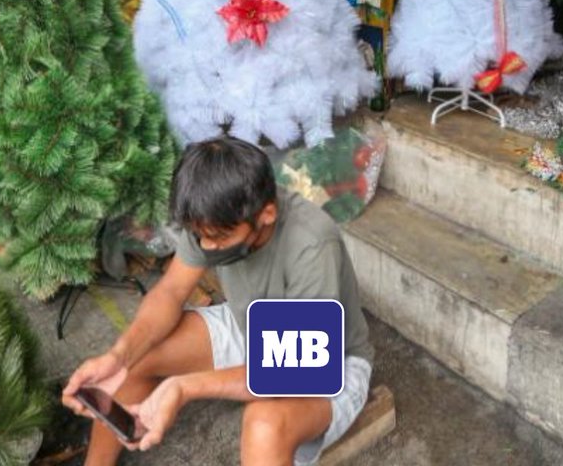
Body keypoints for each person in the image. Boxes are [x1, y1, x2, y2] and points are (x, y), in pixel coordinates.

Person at [61, 137, 374, 466]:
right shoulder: (212, 217)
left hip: (325, 363)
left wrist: (184, 387)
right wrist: (118, 357)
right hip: (252, 325)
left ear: (266, 214)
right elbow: (170, 292)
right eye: (201, 237)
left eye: (220, 238)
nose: (207, 247)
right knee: (138, 354)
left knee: (264, 426)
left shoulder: (311, 244)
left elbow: (293, 374)